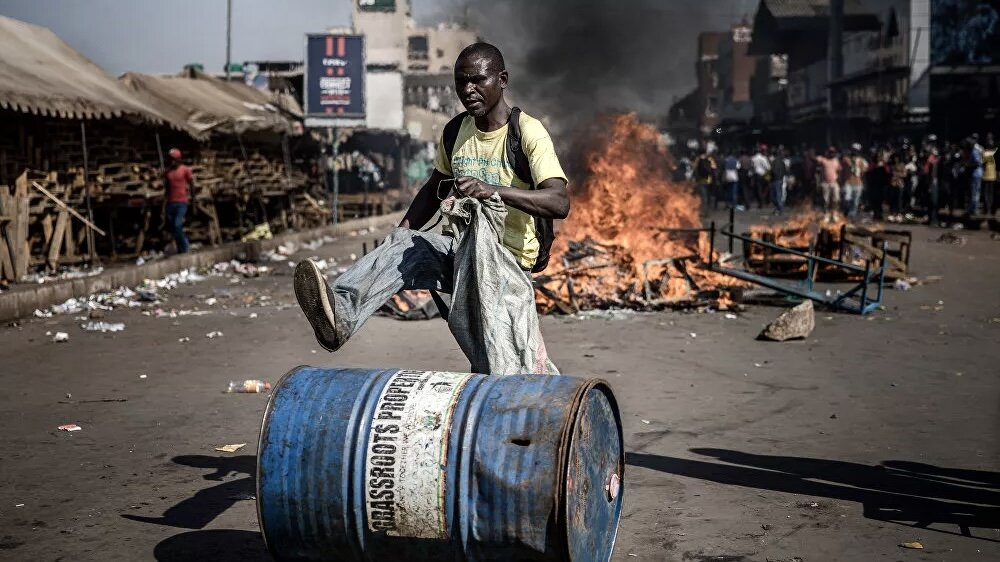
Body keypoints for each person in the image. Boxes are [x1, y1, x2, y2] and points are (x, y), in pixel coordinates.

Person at [292, 43, 569, 366]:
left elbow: (558, 201)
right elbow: (432, 189)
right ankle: (339, 318)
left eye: (478, 80)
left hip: (506, 268)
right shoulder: (455, 132)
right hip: (462, 256)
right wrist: (401, 233)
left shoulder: (526, 133)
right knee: (404, 246)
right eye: (461, 82)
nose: (468, 90)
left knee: (502, 368)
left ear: (502, 79)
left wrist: (492, 190)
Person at [163, 148, 194, 254]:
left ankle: (184, 247)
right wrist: (165, 203)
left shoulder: (185, 170)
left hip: (182, 202)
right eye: (170, 159)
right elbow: (167, 189)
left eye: (173, 159)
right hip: (171, 202)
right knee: (173, 227)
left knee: (177, 224)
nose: (171, 162)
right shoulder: (168, 172)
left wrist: (194, 200)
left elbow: (192, 184)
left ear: (178, 159)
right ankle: (181, 247)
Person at [841, 143, 868, 219]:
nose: (855, 152)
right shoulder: (846, 159)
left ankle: (851, 216)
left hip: (858, 183)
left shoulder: (862, 161)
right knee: (847, 199)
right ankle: (846, 212)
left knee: (855, 201)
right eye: (854, 150)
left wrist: (864, 183)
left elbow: (863, 173)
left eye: (857, 151)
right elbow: (842, 170)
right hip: (848, 182)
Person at [816, 146, 841, 222]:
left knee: (836, 200)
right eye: (830, 152)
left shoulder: (836, 161)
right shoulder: (823, 160)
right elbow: (815, 158)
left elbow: (840, 170)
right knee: (825, 200)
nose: (832, 153)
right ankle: (826, 214)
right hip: (825, 183)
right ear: (828, 152)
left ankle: (834, 214)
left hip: (834, 183)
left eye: (833, 152)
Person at [693, 148, 717, 215]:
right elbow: (714, 169)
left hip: (700, 180)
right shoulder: (710, 159)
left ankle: (702, 211)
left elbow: (695, 169)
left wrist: (695, 178)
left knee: (701, 196)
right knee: (707, 196)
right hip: (709, 180)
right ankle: (706, 211)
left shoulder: (698, 159)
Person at [751, 145, 771, 210]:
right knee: (764, 188)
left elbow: (752, 167)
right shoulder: (763, 158)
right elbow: (768, 167)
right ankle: (764, 200)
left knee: (758, 189)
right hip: (764, 175)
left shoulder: (753, 158)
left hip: (756, 175)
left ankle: (760, 202)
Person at [770, 147, 789, 215]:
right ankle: (778, 208)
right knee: (778, 195)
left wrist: (775, 177)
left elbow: (773, 171)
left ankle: (780, 208)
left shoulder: (775, 161)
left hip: (776, 180)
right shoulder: (782, 162)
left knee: (775, 196)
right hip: (780, 180)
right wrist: (781, 177)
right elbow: (785, 171)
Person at [983, 133, 997, 215]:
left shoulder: (985, 153)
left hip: (986, 175)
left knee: (987, 193)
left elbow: (983, 164)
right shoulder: (994, 152)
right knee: (991, 193)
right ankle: (990, 210)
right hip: (992, 175)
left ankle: (987, 210)